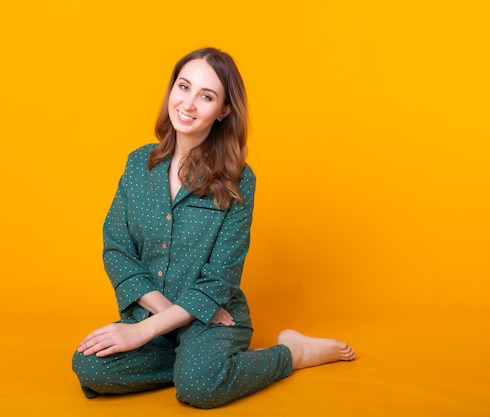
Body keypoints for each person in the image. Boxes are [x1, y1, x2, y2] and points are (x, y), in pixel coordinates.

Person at [71, 47, 356, 409]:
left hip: (213, 319)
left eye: (206, 96)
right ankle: (195, 363)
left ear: (223, 111)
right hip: (155, 313)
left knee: (198, 388)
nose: (188, 104)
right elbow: (117, 249)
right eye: (183, 87)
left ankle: (291, 353)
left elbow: (220, 279)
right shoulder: (137, 164)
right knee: (90, 366)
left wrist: (145, 332)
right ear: (171, 90)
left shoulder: (239, 181)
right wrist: (159, 320)